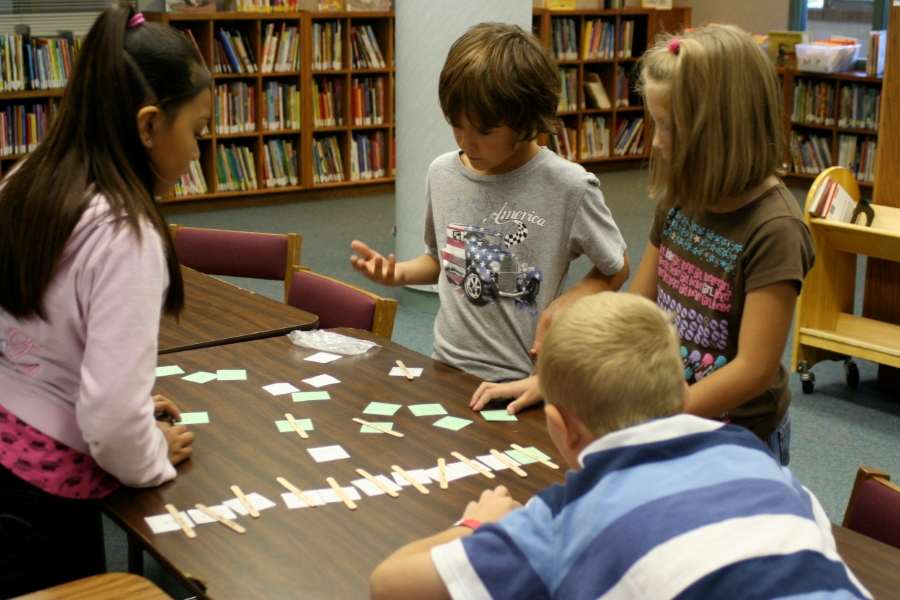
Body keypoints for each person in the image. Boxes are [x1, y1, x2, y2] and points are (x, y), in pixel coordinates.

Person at [369, 293, 869, 600]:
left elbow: (390, 584)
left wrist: (478, 526)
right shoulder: (752, 454)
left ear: (562, 427)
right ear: (680, 394)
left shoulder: (566, 522)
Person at [472, 26, 814, 467]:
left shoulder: (775, 229)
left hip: (735, 442)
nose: (655, 141)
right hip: (668, 416)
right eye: (656, 123)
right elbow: (637, 311)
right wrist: (560, 385)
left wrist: (655, 420)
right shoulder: (679, 200)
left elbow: (754, 370)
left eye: (671, 126)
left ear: (726, 129)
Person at [0, 3, 208, 595]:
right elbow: (112, 423)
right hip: (42, 507)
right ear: (148, 126)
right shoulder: (128, 233)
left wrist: (118, 391)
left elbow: (43, 328)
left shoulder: (26, 179)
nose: (197, 153)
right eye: (195, 132)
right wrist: (152, 451)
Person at [350, 22, 629, 388]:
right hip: (444, 366)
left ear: (527, 120)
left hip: (519, 380)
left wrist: (566, 304)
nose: (467, 142)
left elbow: (616, 267)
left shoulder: (569, 186)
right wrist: (396, 274)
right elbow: (440, 259)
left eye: (484, 131)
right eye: (456, 125)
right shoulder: (442, 173)